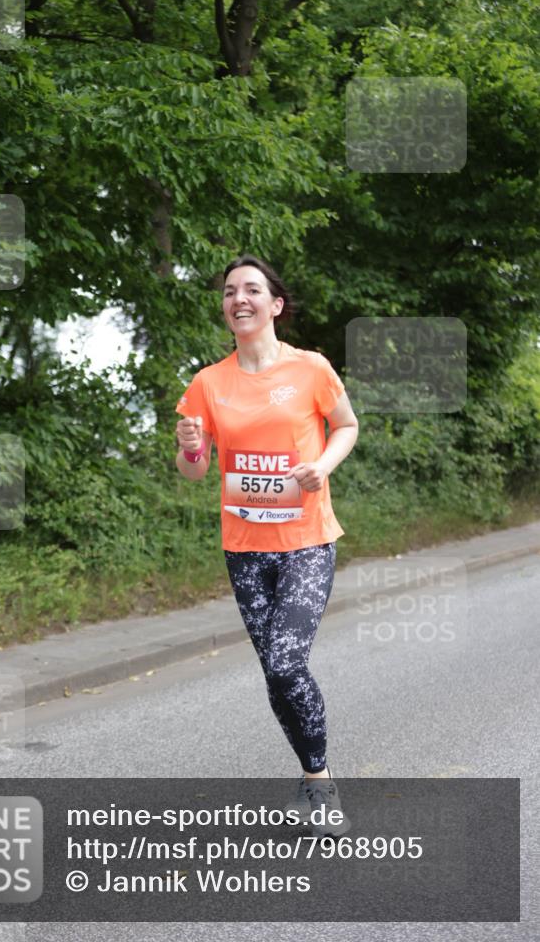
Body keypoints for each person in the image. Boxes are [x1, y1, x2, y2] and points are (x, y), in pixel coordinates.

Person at [175, 254, 359, 836]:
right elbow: (194, 471)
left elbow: (347, 425)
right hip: (245, 551)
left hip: (306, 541)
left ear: (275, 304)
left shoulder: (311, 369)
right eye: (231, 291)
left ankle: (320, 784)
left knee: (285, 662)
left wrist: (321, 466)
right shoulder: (208, 383)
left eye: (252, 289)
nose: (240, 299)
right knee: (276, 674)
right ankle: (312, 775)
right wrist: (190, 445)